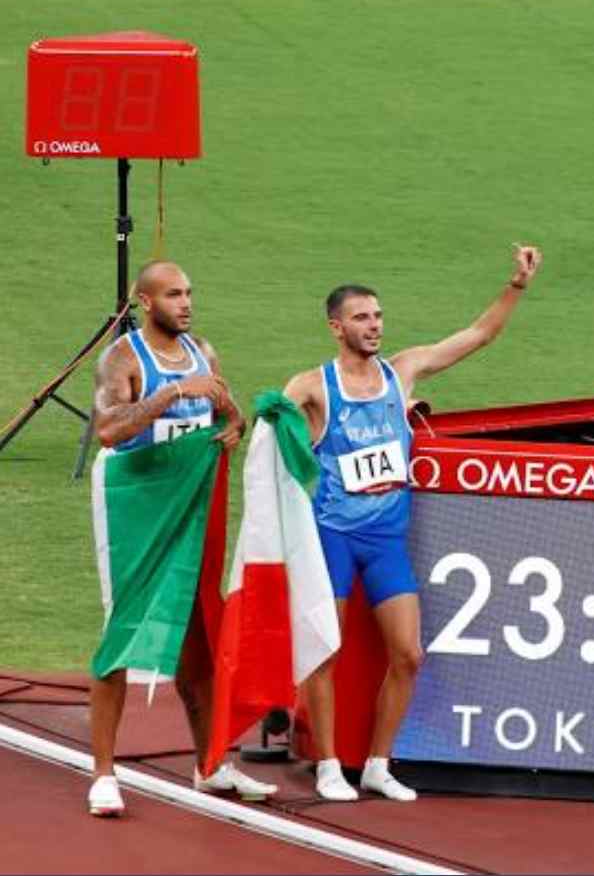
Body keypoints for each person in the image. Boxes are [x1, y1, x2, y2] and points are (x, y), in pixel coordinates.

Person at [285, 244, 542, 801]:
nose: (374, 326)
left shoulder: (402, 371)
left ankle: (378, 763)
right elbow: (275, 440)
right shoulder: (311, 387)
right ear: (336, 327)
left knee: (408, 654)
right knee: (322, 651)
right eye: (361, 318)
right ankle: (329, 764)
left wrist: (516, 285)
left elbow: (476, 336)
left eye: (378, 316)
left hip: (384, 540)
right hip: (332, 535)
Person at [86, 260, 276, 817]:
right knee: (121, 627)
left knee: (202, 629)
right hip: (136, 510)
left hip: (192, 509)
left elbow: (228, 416)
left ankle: (211, 762)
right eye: (173, 294)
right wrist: (170, 397)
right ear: (145, 302)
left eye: (189, 292)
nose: (186, 303)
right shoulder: (123, 359)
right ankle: (102, 774)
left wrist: (235, 426)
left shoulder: (204, 353)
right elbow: (108, 429)